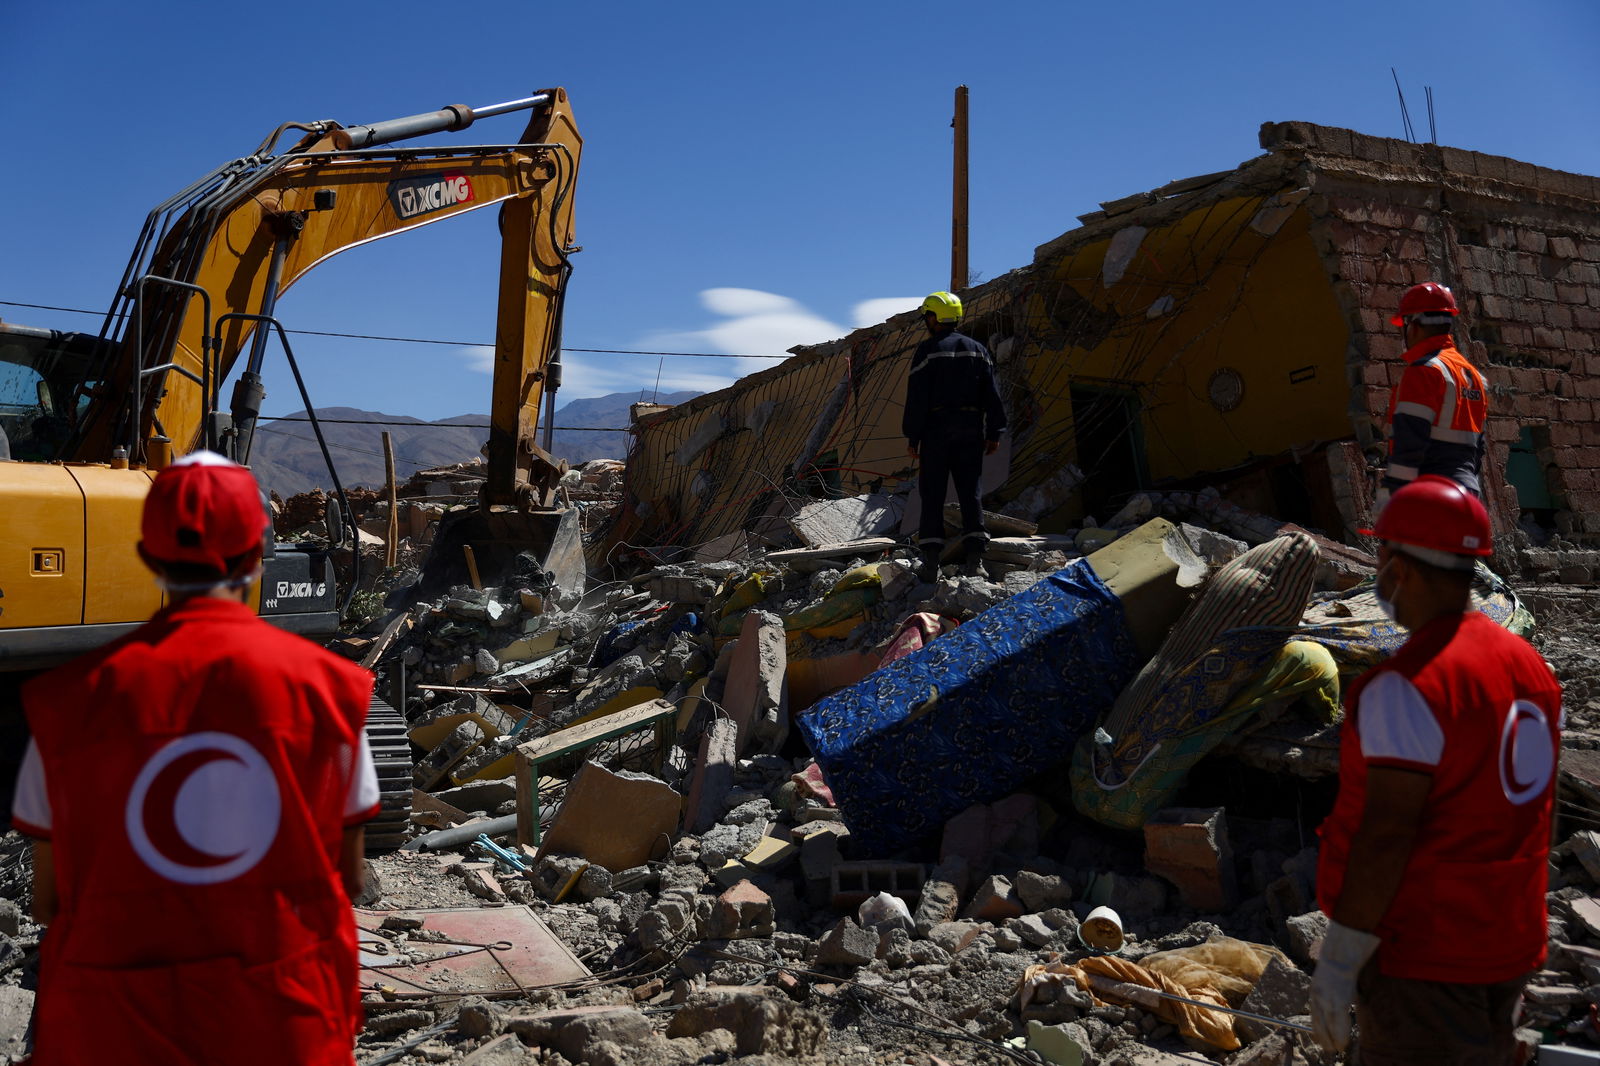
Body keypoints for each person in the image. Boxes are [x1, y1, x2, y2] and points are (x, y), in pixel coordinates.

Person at [11, 451, 380, 1066]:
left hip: (112, 1026)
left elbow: (49, 901)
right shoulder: (330, 692)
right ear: (258, 557)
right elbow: (345, 877)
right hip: (280, 1022)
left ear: (149, 558)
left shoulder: (65, 702)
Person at [1311, 475, 1562, 1062]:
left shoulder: (1409, 685)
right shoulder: (1529, 667)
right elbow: (1534, 810)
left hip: (1425, 958)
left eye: (1380, 560)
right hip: (1508, 939)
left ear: (1400, 569)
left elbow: (1387, 833)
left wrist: (1341, 957)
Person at [903, 291, 1007, 582]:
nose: (927, 321)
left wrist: (913, 437)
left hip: (936, 430)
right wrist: (995, 430)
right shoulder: (978, 349)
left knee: (932, 494)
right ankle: (975, 561)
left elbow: (917, 398)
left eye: (928, 316)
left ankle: (931, 564)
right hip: (970, 427)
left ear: (934, 317)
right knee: (970, 493)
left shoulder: (927, 351)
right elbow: (992, 393)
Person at [1380, 281, 1488, 502]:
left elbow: (1408, 445)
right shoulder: (1474, 377)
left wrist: (1390, 501)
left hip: (1432, 494)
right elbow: (1479, 449)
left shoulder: (1424, 371)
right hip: (1467, 494)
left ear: (1414, 326)